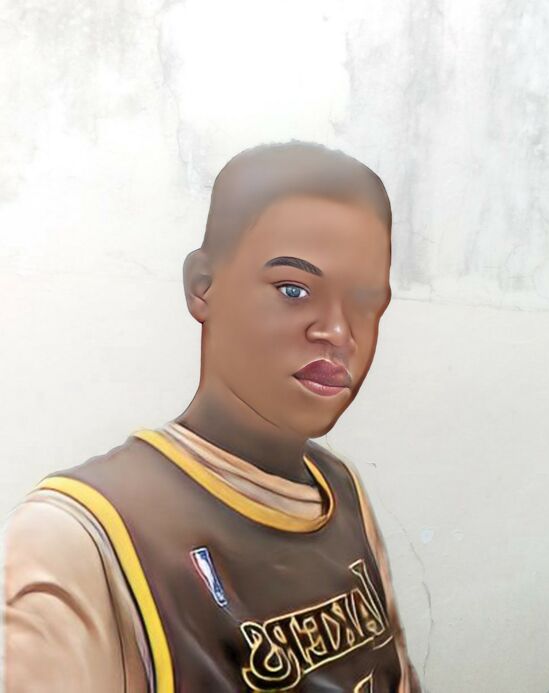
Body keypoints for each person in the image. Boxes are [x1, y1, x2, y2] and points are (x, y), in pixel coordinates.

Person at [3, 141, 421, 691]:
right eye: (294, 290)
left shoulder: (340, 490)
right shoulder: (79, 536)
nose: (338, 332)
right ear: (202, 286)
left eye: (366, 303)